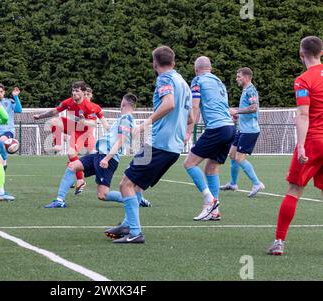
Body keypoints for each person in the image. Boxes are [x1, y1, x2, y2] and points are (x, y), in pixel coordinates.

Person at [104, 45, 193, 243]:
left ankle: (135, 232)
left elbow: (169, 103)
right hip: (172, 147)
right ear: (174, 62)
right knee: (134, 184)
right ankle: (128, 224)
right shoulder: (183, 83)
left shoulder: (164, 78)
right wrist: (183, 132)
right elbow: (191, 117)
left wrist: (144, 123)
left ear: (154, 63)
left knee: (125, 183)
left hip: (159, 145)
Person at [44, 93, 151, 208]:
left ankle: (134, 198)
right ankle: (60, 201)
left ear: (123, 103)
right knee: (72, 166)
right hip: (99, 154)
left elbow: (120, 141)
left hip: (107, 157)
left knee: (102, 194)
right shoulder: (122, 119)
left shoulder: (127, 118)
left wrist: (106, 158)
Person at [268, 36, 323, 255]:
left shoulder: (303, 80)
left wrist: (300, 146)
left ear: (301, 54)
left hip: (313, 142)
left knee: (294, 190)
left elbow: (303, 114)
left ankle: (279, 241)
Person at [183, 56, 235, 221]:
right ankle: (214, 211)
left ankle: (210, 200)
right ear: (210, 68)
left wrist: (188, 131)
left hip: (217, 128)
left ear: (195, 68)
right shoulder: (219, 82)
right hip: (230, 129)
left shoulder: (197, 80)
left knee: (189, 163)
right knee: (211, 168)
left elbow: (195, 106)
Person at [33, 80, 99, 195]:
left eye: (77, 91)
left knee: (74, 155)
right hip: (75, 128)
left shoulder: (89, 106)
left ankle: (82, 178)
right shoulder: (69, 102)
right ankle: (58, 146)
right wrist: (40, 116)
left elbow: (93, 124)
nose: (74, 93)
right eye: (73, 90)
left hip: (85, 133)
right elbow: (55, 110)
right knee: (54, 121)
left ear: (83, 92)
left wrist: (84, 121)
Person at [220, 68, 265, 197]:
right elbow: (249, 109)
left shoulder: (251, 89)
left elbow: (254, 108)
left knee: (239, 157)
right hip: (242, 129)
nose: (236, 79)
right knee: (232, 155)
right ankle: (233, 184)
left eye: (239, 76)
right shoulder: (246, 90)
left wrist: (237, 111)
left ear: (246, 77)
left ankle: (257, 183)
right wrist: (237, 115)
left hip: (249, 131)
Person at [0, 83, 22, 189]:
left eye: (1, 92)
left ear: (4, 92)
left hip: (8, 131)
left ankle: (5, 159)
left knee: (3, 141)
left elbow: (18, 110)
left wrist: (15, 96)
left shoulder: (9, 101)